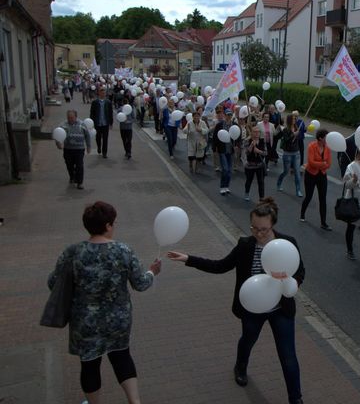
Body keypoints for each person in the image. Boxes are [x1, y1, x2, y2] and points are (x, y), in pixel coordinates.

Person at [167, 198, 305, 404]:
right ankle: (241, 366)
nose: (258, 234)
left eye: (264, 230)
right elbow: (220, 266)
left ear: (273, 225)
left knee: (288, 356)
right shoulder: (245, 245)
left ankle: (296, 399)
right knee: (248, 340)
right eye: (254, 228)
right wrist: (189, 259)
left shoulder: (287, 243)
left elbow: (300, 272)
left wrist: (291, 282)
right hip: (252, 308)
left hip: (280, 309)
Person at [47, 201, 161, 404]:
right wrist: (152, 271)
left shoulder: (72, 252)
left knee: (90, 365)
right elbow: (141, 284)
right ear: (108, 225)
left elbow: (52, 283)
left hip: (85, 322)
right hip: (119, 320)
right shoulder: (123, 250)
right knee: (122, 357)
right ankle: (135, 402)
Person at [299, 129, 332, 230]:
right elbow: (311, 162)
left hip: (322, 175)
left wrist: (322, 165)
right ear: (321, 138)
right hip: (310, 175)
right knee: (308, 196)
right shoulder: (312, 146)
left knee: (323, 199)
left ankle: (323, 223)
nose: (328, 139)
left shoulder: (328, 148)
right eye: (327, 137)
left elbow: (329, 163)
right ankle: (302, 214)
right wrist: (323, 164)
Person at [56, 110, 91, 189]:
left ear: (76, 117)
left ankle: (80, 182)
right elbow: (57, 135)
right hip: (68, 149)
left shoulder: (82, 124)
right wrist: (58, 144)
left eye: (72, 117)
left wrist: (88, 146)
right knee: (69, 165)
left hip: (79, 149)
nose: (70, 119)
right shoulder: (63, 125)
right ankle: (72, 176)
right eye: (68, 118)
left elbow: (87, 136)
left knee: (79, 165)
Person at [276, 113, 303, 197]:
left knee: (297, 172)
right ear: (289, 120)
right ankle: (279, 182)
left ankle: (298, 190)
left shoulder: (296, 128)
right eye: (293, 118)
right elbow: (287, 140)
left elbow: (299, 139)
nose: (295, 120)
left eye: (295, 118)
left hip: (296, 153)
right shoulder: (285, 129)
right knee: (286, 171)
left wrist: (299, 134)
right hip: (287, 153)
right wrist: (293, 135)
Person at [243, 125, 267, 201]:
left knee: (261, 182)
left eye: (258, 132)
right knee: (249, 181)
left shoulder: (262, 141)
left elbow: (266, 153)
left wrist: (258, 151)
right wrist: (251, 146)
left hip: (259, 165)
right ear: (252, 133)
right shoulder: (247, 140)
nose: (256, 134)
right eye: (255, 132)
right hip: (250, 165)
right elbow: (246, 153)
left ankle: (261, 198)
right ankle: (247, 192)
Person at [89, 87, 113, 158]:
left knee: (105, 138)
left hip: (105, 123)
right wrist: (92, 122)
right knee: (98, 137)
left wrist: (111, 123)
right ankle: (99, 146)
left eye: (104, 93)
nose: (103, 94)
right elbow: (92, 113)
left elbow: (110, 113)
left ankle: (104, 152)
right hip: (97, 123)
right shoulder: (95, 102)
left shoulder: (108, 102)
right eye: (101, 92)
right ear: (99, 93)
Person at [215, 109, 235, 195]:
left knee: (230, 170)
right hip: (222, 150)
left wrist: (237, 145)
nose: (229, 117)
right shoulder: (220, 125)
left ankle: (227, 186)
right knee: (225, 169)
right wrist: (214, 148)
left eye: (230, 115)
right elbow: (216, 136)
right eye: (227, 115)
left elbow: (238, 136)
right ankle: (222, 186)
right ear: (225, 115)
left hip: (230, 150)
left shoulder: (234, 125)